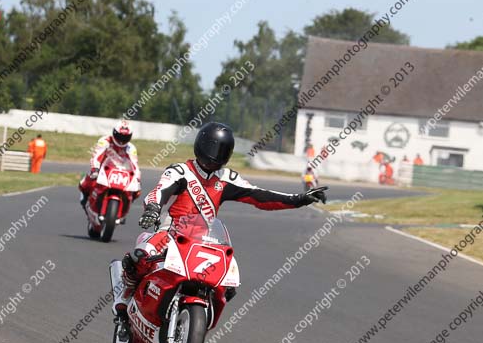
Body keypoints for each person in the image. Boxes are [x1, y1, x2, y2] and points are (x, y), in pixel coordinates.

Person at [114, 122, 327, 319]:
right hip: (170, 233)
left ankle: (196, 321)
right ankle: (124, 297)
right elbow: (160, 191)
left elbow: (261, 196)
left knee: (229, 285)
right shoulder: (180, 171)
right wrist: (152, 208)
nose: (216, 155)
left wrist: (299, 199)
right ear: (201, 145)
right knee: (139, 257)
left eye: (222, 151)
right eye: (213, 148)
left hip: (205, 240)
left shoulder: (227, 178)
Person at [79, 120, 141, 206]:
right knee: (88, 179)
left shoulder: (131, 148)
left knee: (136, 192)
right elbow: (96, 156)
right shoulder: (105, 141)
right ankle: (85, 194)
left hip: (122, 173)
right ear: (114, 132)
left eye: (125, 137)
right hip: (103, 169)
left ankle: (125, 205)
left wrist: (137, 180)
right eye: (119, 136)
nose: (121, 140)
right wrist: (95, 169)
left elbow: (135, 166)